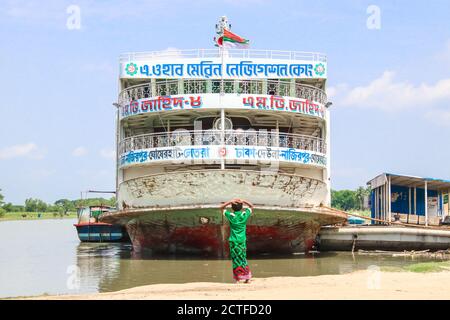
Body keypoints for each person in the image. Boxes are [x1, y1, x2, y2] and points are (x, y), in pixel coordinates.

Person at [220, 198, 254, 283]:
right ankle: (247, 278)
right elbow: (251, 206)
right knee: (243, 258)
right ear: (241, 207)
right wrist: (244, 201)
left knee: (235, 259)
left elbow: (221, 208)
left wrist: (229, 201)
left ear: (232, 208)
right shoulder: (244, 215)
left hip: (233, 241)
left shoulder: (231, 216)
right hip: (242, 240)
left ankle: (237, 279)